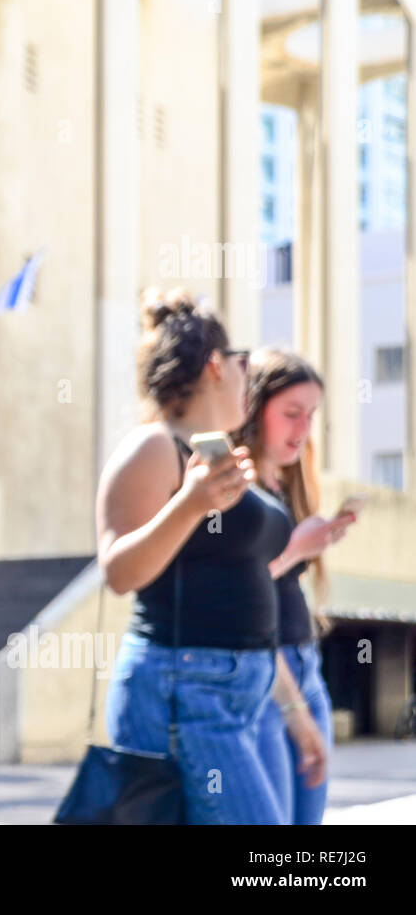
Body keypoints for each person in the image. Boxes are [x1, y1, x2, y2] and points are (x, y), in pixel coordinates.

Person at [97, 287, 324, 824]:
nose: (251, 375)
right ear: (218, 366)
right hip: (186, 688)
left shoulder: (216, 453)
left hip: (232, 691)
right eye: (247, 364)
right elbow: (118, 571)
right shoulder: (155, 447)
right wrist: (192, 502)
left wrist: (295, 712)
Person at [234, 347, 354, 824]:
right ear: (253, 406)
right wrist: (296, 551)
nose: (302, 430)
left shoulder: (290, 487)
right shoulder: (233, 490)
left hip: (307, 668)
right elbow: (232, 591)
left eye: (311, 416)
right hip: (267, 672)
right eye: (290, 413)